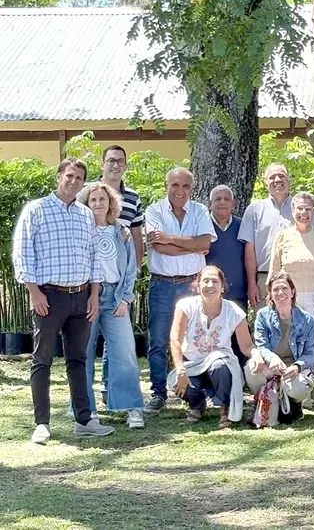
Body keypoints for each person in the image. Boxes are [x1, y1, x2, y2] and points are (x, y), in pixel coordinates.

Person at [12, 158, 114, 443]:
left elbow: (94, 257)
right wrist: (34, 291)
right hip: (49, 295)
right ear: (59, 176)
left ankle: (84, 419)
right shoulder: (37, 210)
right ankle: (41, 423)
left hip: (81, 297)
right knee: (42, 359)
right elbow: (22, 253)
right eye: (69, 176)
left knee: (78, 360)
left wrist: (94, 294)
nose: (74, 181)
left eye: (79, 178)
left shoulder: (84, 214)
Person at [144, 168, 216, 413]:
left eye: (185, 186)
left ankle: (195, 393)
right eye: (175, 185)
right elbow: (160, 248)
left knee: (196, 338)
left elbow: (205, 243)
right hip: (162, 284)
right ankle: (158, 393)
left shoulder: (200, 210)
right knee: (158, 339)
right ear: (167, 185)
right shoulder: (153, 211)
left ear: (191, 189)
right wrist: (192, 246)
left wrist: (171, 238)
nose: (180, 191)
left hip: (192, 284)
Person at [76, 182, 145, 428]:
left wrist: (126, 298)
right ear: (85, 204)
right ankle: (86, 410)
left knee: (125, 353)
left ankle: (132, 407)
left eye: (102, 199)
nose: (97, 203)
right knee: (83, 355)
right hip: (86, 298)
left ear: (110, 202)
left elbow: (130, 268)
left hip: (115, 297)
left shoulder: (122, 231)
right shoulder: (80, 231)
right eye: (92, 199)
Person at [167, 266, 265, 428]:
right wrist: (180, 370)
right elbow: (175, 340)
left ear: (222, 286)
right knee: (176, 382)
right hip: (192, 364)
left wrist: (256, 354)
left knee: (220, 365)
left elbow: (247, 345)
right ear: (197, 286)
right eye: (205, 281)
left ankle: (225, 408)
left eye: (215, 281)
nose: (210, 285)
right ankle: (197, 405)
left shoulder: (233, 311)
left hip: (220, 365)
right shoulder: (185, 307)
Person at [269, 192, 314, 411]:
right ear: (293, 211)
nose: (303, 213)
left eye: (308, 209)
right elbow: (274, 271)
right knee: (296, 349)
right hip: (289, 302)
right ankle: (301, 399)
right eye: (299, 208)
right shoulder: (282, 237)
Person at [95, 145, 145, 407]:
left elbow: (136, 234)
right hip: (91, 286)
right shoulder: (91, 193)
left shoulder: (133, 197)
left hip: (119, 283)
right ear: (102, 163)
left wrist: (133, 272)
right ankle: (92, 401)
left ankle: (118, 398)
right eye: (111, 160)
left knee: (120, 346)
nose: (115, 165)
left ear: (125, 165)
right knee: (89, 347)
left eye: (120, 161)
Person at [239, 163, 314, 312]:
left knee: (299, 328)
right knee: (268, 327)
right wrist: (252, 284)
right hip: (265, 280)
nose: (277, 179)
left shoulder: (304, 208)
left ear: (289, 180)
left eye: (282, 176)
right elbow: (249, 250)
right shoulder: (255, 210)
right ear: (265, 183)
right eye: (272, 177)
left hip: (300, 280)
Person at [247, 272, 314, 422]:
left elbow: (310, 353)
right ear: (270, 295)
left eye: (284, 288)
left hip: (292, 367)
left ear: (292, 292)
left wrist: (297, 366)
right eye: (275, 290)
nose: (280, 293)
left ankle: (294, 404)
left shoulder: (306, 319)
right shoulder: (262, 316)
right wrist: (272, 358)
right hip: (271, 366)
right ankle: (262, 401)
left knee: (299, 388)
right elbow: (261, 344)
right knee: (250, 368)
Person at [206, 185, 248, 366]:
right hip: (210, 294)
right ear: (210, 204)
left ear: (233, 203)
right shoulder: (202, 226)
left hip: (238, 292)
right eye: (217, 199)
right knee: (211, 335)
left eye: (226, 199)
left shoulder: (242, 226)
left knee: (238, 336)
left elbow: (249, 257)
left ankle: (240, 376)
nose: (222, 202)